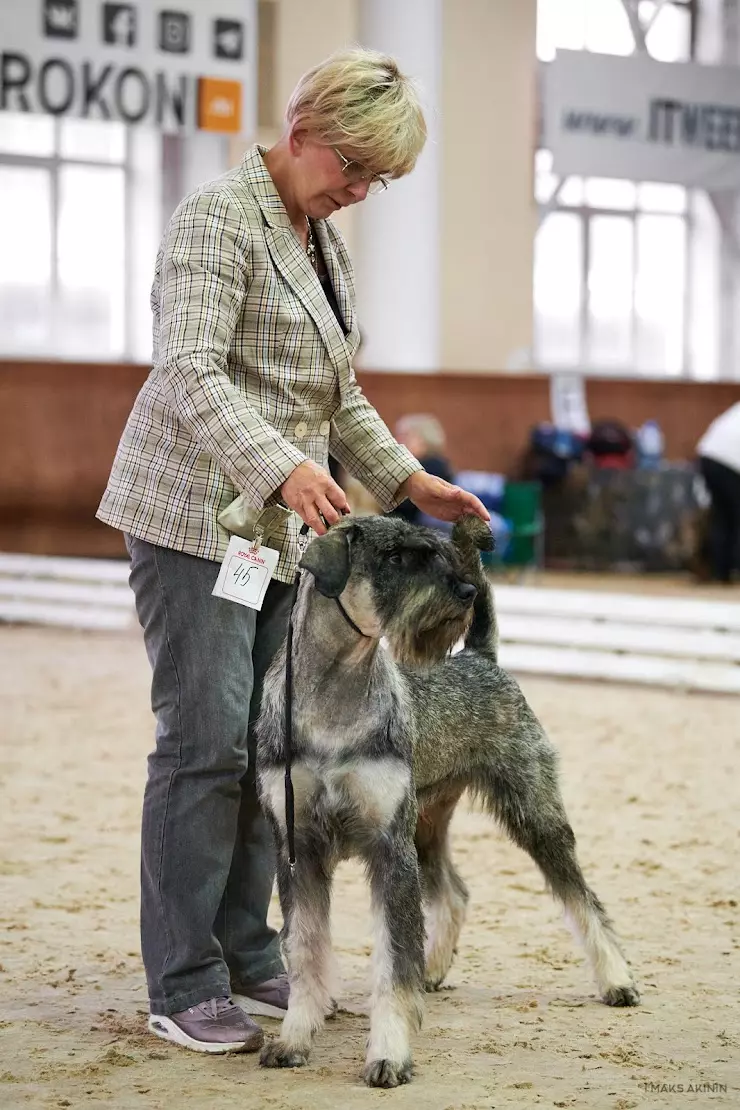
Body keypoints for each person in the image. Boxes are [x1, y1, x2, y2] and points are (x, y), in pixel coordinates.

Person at [96, 47, 489, 1055]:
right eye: (352, 168)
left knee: (268, 749)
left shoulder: (321, 241)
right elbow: (187, 370)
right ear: (304, 125)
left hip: (281, 538)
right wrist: (277, 467)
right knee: (206, 742)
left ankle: (248, 950)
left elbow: (336, 394)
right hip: (194, 517)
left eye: (375, 181)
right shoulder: (215, 221)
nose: (359, 192)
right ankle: (182, 978)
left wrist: (405, 477)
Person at [696, 402, 740, 584]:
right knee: (734, 517)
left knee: (722, 517)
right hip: (730, 461)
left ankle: (720, 572)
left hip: (708, 455)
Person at [392, 414, 456, 526]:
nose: (398, 441)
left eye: (405, 436)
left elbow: (405, 504)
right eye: (397, 436)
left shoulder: (433, 465)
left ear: (424, 439)